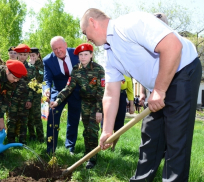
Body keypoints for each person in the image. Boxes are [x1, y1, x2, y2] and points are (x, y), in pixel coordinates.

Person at [80, 8, 202, 181]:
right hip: (159, 82)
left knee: (176, 139)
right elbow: (110, 93)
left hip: (182, 71)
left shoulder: (130, 24)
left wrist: (159, 91)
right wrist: (107, 130)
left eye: (85, 32)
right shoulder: (110, 53)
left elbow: (173, 45)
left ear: (93, 22)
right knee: (150, 138)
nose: (87, 38)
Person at [50, 43, 104, 169]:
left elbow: (101, 91)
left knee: (93, 130)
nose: (83, 57)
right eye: (81, 55)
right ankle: (88, 152)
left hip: (96, 103)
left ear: (91, 55)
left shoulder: (98, 69)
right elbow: (69, 87)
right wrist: (58, 100)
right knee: (87, 130)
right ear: (78, 57)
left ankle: (93, 158)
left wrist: (99, 110)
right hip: (84, 102)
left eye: (86, 54)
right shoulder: (76, 69)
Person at [43, 36, 81, 155]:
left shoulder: (77, 54)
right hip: (58, 91)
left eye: (60, 47)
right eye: (55, 49)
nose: (58, 51)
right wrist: (46, 90)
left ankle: (70, 146)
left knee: (73, 118)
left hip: (75, 90)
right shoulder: (48, 60)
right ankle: (50, 148)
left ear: (66, 45)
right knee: (53, 114)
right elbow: (47, 79)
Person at [7, 44, 35, 144]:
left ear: (27, 55)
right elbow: (7, 83)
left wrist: (29, 99)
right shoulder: (12, 65)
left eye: (25, 54)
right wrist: (8, 98)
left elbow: (33, 85)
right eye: (21, 54)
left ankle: (22, 141)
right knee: (12, 119)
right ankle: (10, 140)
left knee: (24, 120)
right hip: (13, 97)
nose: (23, 56)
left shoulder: (31, 68)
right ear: (17, 54)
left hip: (25, 98)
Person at [101, 75, 134, 151]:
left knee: (118, 124)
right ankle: (104, 144)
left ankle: (113, 147)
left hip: (121, 98)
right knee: (105, 122)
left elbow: (130, 91)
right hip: (109, 95)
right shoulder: (110, 71)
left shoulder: (127, 75)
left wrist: (132, 105)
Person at [27, 47, 44, 143]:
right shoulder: (28, 64)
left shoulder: (42, 65)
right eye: (30, 55)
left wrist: (33, 67)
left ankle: (41, 137)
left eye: (34, 55)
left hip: (37, 93)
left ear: (38, 55)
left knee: (37, 115)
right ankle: (32, 135)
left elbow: (39, 78)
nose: (32, 56)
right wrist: (30, 66)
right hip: (27, 92)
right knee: (29, 115)